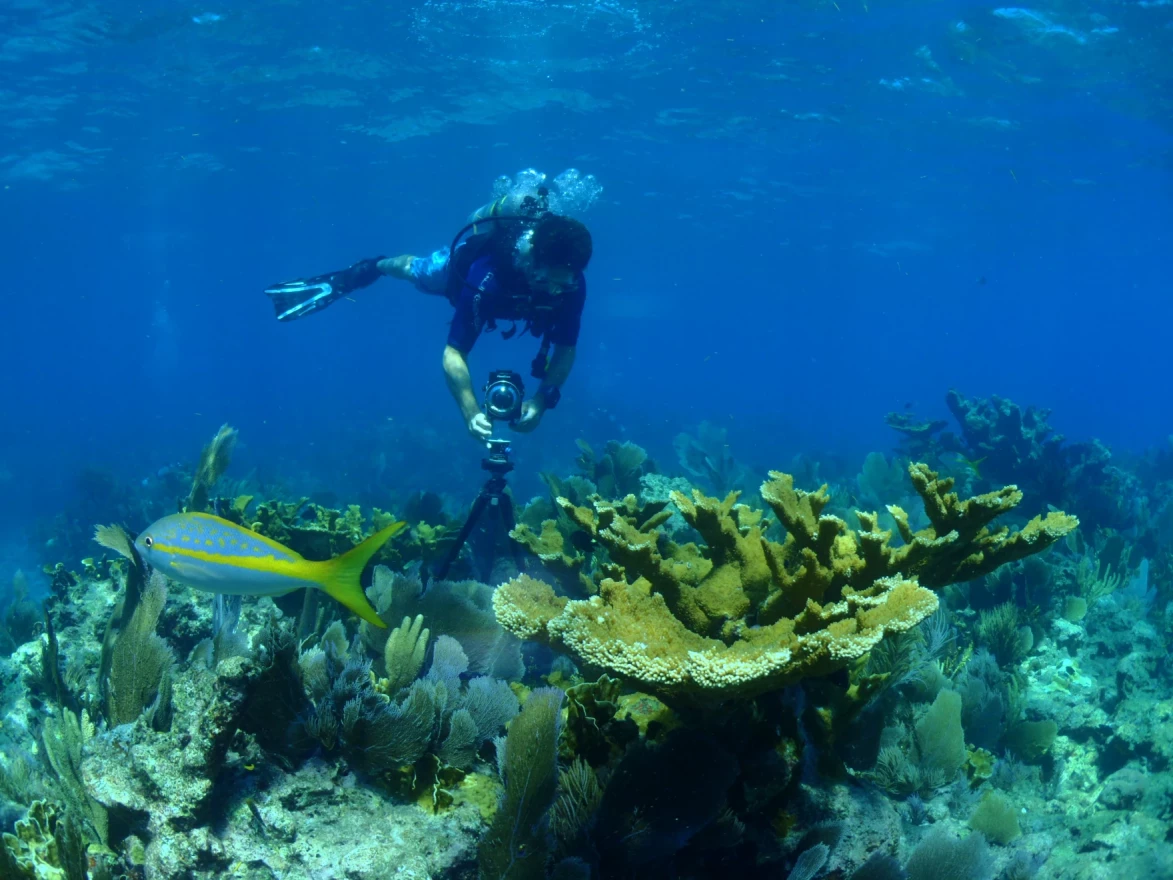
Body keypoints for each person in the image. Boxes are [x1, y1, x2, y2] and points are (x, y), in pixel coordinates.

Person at [265, 193, 593, 443]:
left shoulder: (571, 285)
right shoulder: (487, 275)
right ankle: (368, 268)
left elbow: (566, 349)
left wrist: (539, 401)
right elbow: (454, 352)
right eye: (549, 279)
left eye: (563, 282)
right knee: (415, 270)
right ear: (532, 261)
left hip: (507, 293)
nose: (555, 291)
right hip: (457, 275)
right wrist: (469, 410)